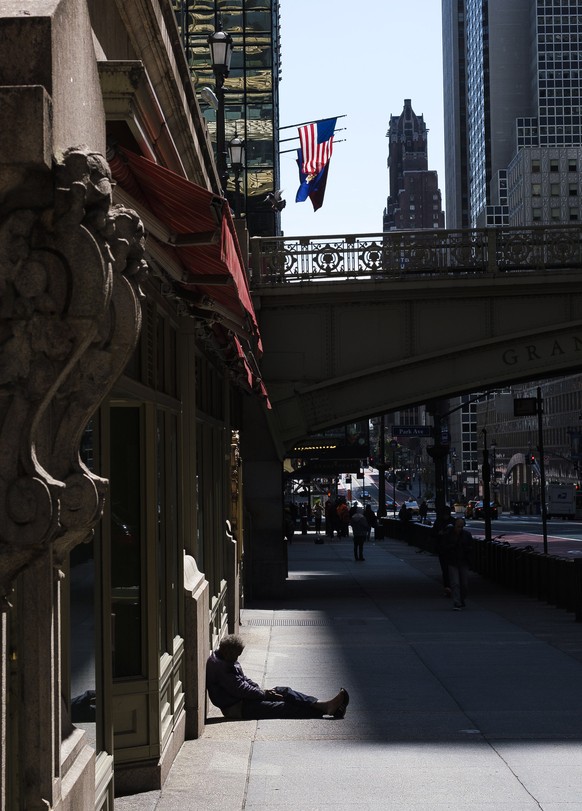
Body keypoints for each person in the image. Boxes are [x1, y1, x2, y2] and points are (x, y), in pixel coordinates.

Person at [206, 634, 349, 720]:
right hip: (237, 707)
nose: (237, 658)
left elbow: (244, 680)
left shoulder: (227, 658)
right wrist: (264, 694)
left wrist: (262, 690)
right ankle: (325, 709)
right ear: (226, 651)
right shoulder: (220, 667)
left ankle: (323, 705)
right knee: (283, 707)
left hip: (245, 700)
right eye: (236, 655)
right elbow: (241, 689)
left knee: (283, 691)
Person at [442, 517, 474, 610]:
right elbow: (444, 547)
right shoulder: (449, 535)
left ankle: (461, 599)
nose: (459, 528)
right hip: (453, 560)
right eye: (458, 526)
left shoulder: (466, 535)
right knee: (455, 583)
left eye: (461, 526)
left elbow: (471, 547)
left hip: (463, 561)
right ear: (454, 526)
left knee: (464, 584)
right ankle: (457, 602)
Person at [431, 508, 454, 596]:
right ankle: (448, 586)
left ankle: (448, 586)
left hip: (447, 548)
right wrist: (438, 534)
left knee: (447, 569)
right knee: (446, 569)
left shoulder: (442, 521)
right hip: (444, 548)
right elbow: (433, 533)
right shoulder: (449, 521)